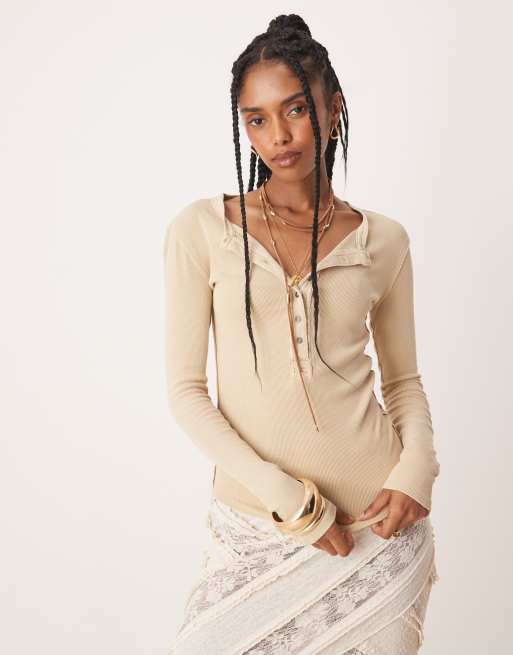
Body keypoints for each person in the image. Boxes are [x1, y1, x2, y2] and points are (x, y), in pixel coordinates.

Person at [163, 13, 440, 654]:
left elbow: (403, 382)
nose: (279, 136)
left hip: (380, 532)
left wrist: (417, 471)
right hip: (258, 527)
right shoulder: (202, 231)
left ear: (333, 109)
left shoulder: (384, 240)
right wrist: (291, 502)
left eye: (295, 110)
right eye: (256, 119)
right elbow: (186, 394)